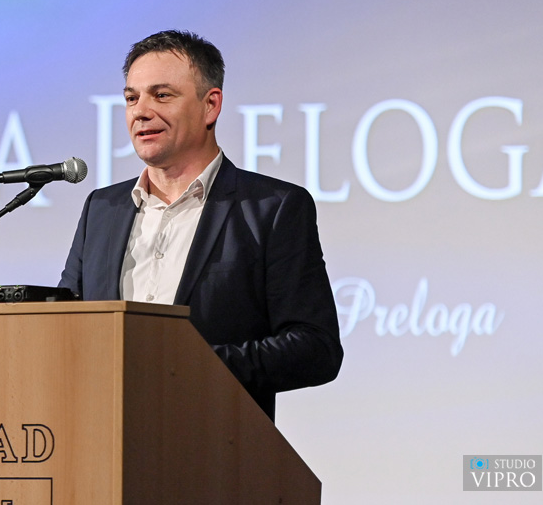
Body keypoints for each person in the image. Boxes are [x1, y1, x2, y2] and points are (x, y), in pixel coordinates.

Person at [59, 30, 342, 419]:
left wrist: (190, 365)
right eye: (131, 98)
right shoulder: (102, 209)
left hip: (212, 439)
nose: (140, 111)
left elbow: (315, 349)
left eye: (162, 95)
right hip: (99, 434)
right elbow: (66, 326)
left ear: (210, 106)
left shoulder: (272, 209)